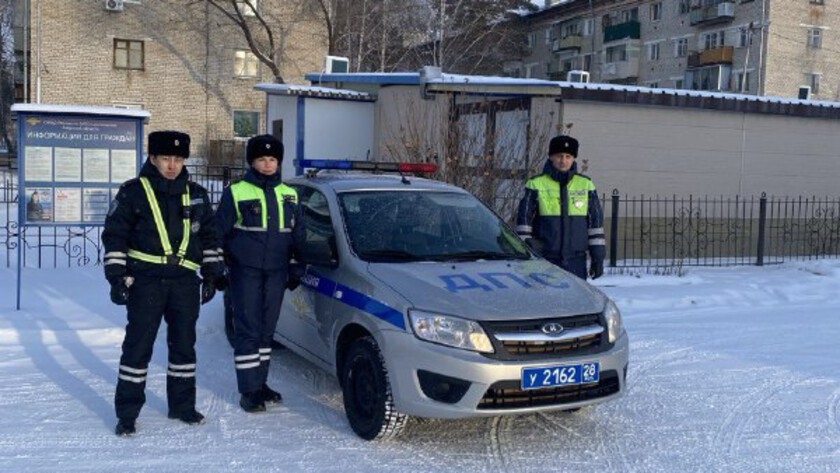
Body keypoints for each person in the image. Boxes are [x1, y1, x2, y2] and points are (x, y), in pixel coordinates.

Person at [102, 130, 224, 436]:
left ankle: (182, 406)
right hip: (146, 281)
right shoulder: (133, 192)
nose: (172, 165)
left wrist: (211, 274)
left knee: (184, 346)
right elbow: (115, 236)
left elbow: (209, 236)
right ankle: (127, 413)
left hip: (184, 282)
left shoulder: (197, 193)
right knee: (137, 347)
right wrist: (117, 278)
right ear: (153, 158)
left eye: (178, 159)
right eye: (166, 158)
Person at [215, 134, 304, 413]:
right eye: (262, 159)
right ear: (252, 161)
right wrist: (218, 268)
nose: (268, 164)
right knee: (249, 331)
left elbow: (298, 234)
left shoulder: (289, 193)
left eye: (273, 159)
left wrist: (296, 268)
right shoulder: (237, 191)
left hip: (276, 273)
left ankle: (261, 383)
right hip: (246, 272)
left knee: (267, 332)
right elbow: (218, 233)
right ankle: (248, 390)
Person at [516, 135, 605, 280]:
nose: (563, 161)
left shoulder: (586, 184)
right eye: (559, 156)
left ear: (573, 159)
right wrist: (526, 251)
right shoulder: (536, 184)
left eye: (568, 156)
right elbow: (523, 221)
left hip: (576, 259)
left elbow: (596, 224)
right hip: (545, 257)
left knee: (576, 300)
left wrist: (598, 257)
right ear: (551, 157)